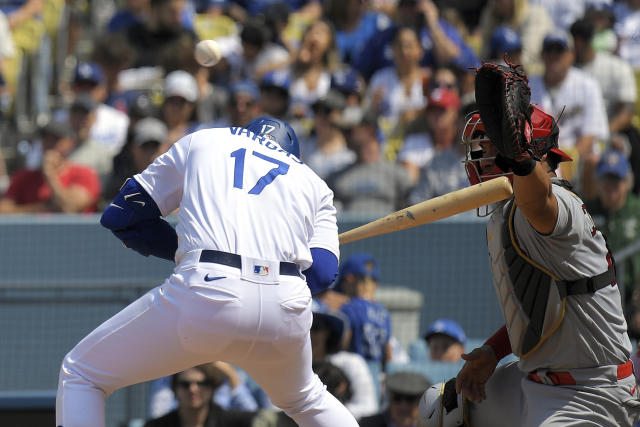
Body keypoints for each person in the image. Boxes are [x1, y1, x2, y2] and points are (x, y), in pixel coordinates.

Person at [55, 116, 359, 427]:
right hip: (285, 303)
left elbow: (122, 215)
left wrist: (181, 248)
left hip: (208, 287)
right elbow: (322, 275)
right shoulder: (313, 183)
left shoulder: (204, 140)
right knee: (307, 400)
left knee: (82, 374)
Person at [418, 100, 639, 425]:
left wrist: (521, 159)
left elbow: (539, 199)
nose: (480, 155)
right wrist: (493, 351)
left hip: (591, 392)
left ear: (524, 152)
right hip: (540, 380)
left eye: (492, 146)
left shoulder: (554, 204)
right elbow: (539, 309)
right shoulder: (510, 211)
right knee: (441, 409)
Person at [585, 149, 640, 338]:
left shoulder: (637, 210)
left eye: (616, 181)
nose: (611, 187)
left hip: (633, 294)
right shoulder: (586, 211)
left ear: (626, 183)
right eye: (606, 180)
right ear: (598, 183)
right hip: (595, 295)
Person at [0, 120, 101, 213]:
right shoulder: (24, 176)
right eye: (46, 139)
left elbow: (69, 208)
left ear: (70, 144)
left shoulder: (85, 174)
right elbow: (4, 210)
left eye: (56, 140)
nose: (50, 144)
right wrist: (40, 208)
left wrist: (50, 175)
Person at [143, 363, 256, 427]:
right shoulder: (157, 425)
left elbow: (255, 417)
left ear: (212, 387)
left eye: (202, 384)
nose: (193, 389)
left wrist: (232, 377)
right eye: (185, 384)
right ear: (175, 389)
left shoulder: (229, 421)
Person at [336, 253, 392, 371]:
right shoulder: (384, 312)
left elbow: (342, 348)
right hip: (377, 373)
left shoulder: (349, 308)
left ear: (350, 279)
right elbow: (388, 355)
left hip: (355, 373)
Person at [359, 371, 431, 427]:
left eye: (410, 399)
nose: (403, 406)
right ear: (390, 400)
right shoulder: (367, 424)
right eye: (397, 398)